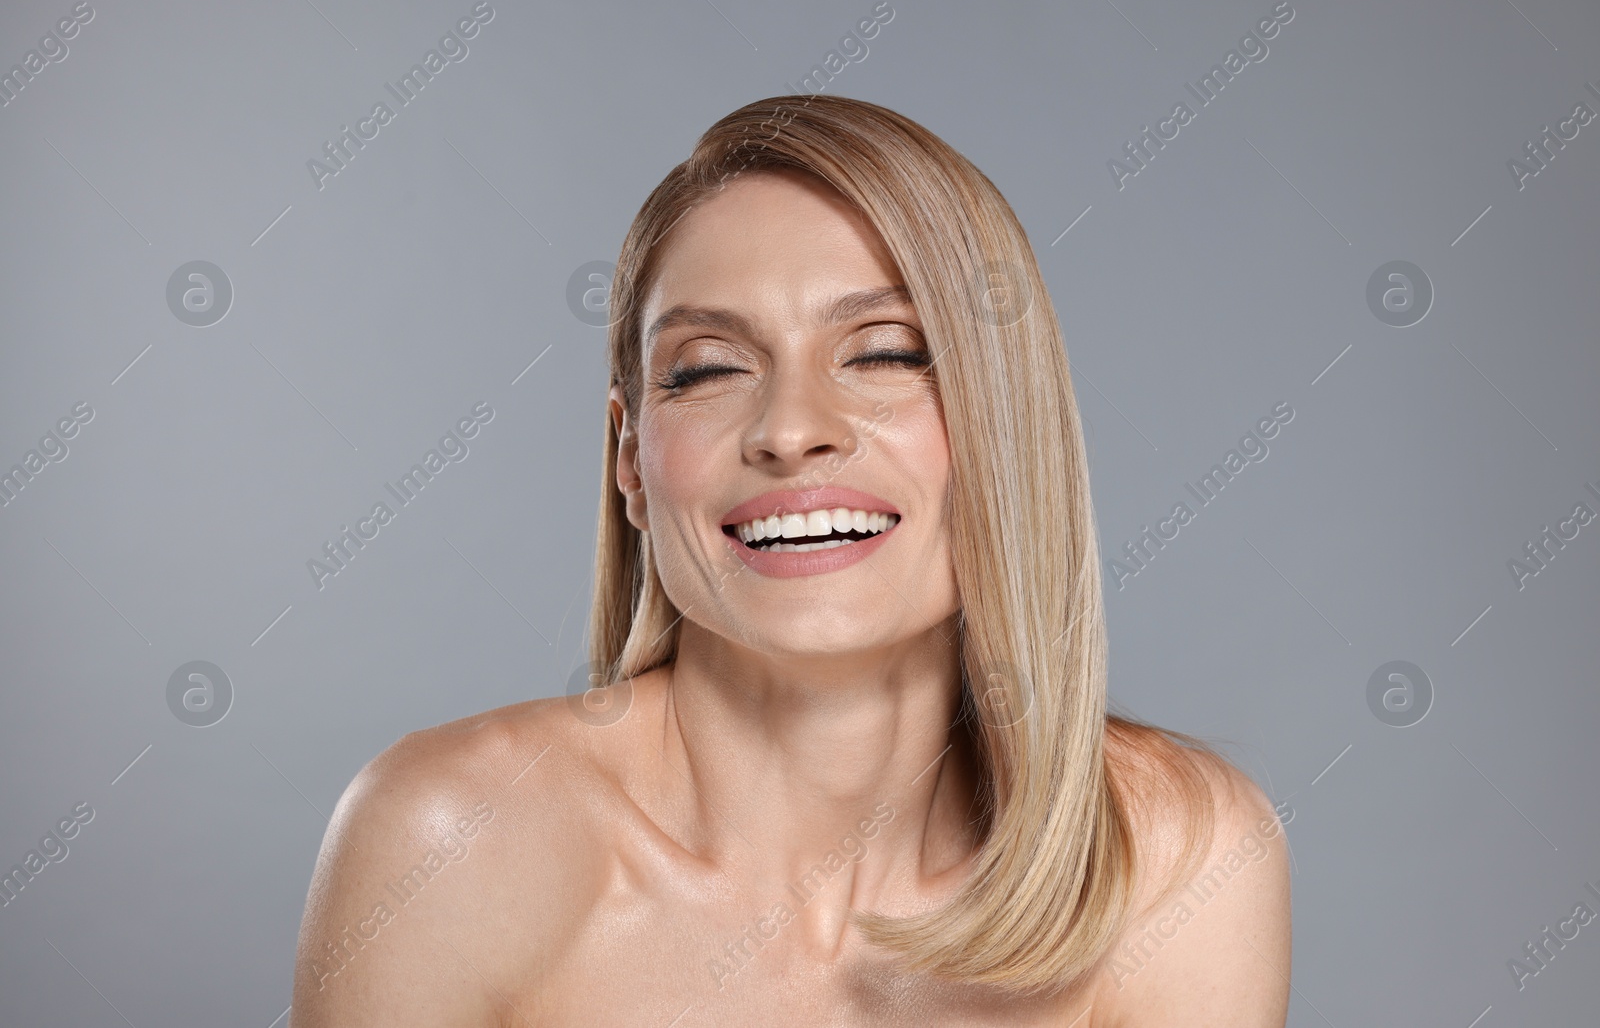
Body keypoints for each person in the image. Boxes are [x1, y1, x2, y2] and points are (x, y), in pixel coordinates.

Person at [292, 93, 1291, 1026]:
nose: (791, 428)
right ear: (629, 460)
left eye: (885, 351)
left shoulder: (1178, 859)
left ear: (1010, 422)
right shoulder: (451, 841)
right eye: (710, 369)